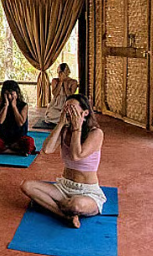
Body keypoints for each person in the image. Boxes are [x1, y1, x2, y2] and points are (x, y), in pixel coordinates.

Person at [20, 94, 106, 228]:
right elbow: (47, 149)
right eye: (66, 109)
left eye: (72, 109)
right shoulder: (65, 130)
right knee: (27, 185)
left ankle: (49, 204)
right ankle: (64, 215)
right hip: (64, 187)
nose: (68, 112)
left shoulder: (96, 133)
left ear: (85, 113)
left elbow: (76, 155)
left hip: (87, 191)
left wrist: (77, 128)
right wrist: (60, 124)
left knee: (75, 205)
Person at [0, 80, 36, 156]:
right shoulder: (2, 105)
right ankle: (12, 151)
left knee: (29, 142)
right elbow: (0, 121)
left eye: (11, 94)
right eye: (7, 94)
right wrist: (6, 106)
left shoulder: (24, 105)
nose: (9, 97)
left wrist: (14, 107)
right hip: (4, 140)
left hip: (19, 139)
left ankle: (7, 149)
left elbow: (20, 123)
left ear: (17, 93)